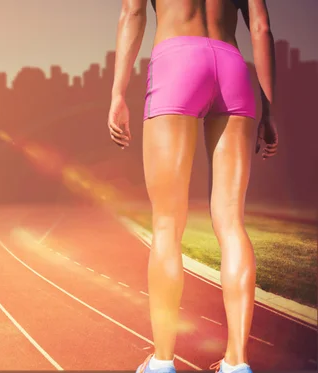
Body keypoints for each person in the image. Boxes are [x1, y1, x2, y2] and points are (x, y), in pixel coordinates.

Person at [106, 1, 279, 373]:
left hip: (177, 62)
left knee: (168, 223)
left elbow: (132, 14)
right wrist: (269, 110)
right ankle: (237, 363)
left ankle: (163, 363)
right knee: (232, 223)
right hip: (232, 65)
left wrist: (118, 94)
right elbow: (261, 27)